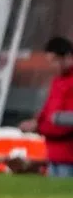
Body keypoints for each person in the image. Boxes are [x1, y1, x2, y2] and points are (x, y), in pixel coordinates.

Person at [19, 36, 73, 178]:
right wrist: (36, 122)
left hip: (68, 153)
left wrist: (39, 127)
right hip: (54, 152)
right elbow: (48, 110)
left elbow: (66, 121)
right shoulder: (57, 81)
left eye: (55, 61)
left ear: (68, 57)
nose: (52, 66)